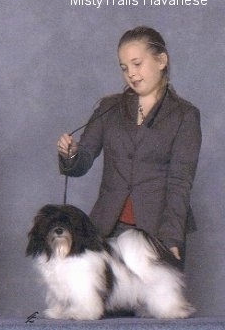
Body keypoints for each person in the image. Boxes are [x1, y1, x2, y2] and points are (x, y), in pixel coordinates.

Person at [57, 26, 201, 267]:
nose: (131, 74)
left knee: (160, 305)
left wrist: (172, 238)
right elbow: (83, 160)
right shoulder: (108, 107)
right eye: (124, 68)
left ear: (161, 60)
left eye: (137, 64)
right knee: (110, 305)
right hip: (108, 229)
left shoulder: (185, 115)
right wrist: (70, 154)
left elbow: (180, 183)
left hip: (159, 233)